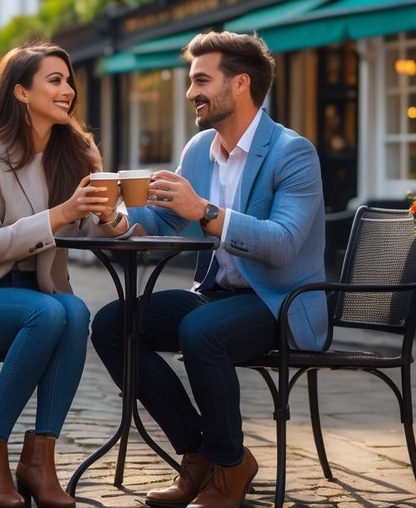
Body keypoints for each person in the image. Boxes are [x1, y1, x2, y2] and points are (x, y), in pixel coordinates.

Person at [90, 31, 328, 508]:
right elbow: (164, 221)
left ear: (240, 84)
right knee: (112, 324)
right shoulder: (200, 149)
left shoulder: (293, 152)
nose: (191, 92)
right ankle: (198, 453)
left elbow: (282, 245)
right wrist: (116, 219)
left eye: (201, 80)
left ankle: (227, 469)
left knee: (201, 333)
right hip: (216, 293)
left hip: (280, 301)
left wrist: (206, 212)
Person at [0, 42, 128, 508]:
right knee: (49, 314)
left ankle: (40, 460)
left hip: (42, 292)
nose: (68, 91)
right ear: (21, 92)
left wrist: (110, 217)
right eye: (54, 80)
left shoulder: (78, 150)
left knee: (74, 311)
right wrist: (59, 214)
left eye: (69, 81)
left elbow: (94, 231)